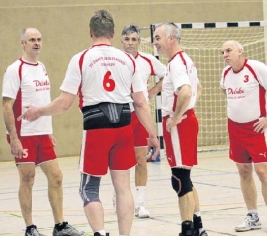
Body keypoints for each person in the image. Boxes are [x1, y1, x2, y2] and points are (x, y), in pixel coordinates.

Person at [18, 10, 160, 236]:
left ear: (90, 32)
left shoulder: (81, 58)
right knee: (123, 187)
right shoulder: (127, 59)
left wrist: (38, 112)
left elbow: (64, 103)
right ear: (113, 33)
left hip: (97, 126)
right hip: (124, 125)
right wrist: (153, 135)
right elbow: (141, 103)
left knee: (89, 189)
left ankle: (101, 232)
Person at [2, 28, 84, 236]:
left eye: (39, 39)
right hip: (23, 134)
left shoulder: (42, 67)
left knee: (56, 176)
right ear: (23, 43)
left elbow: (43, 102)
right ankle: (30, 228)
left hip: (42, 132)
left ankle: (60, 226)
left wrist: (48, 131)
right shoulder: (15, 70)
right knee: (28, 179)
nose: (36, 43)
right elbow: (6, 105)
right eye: (31, 40)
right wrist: (14, 138)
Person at [153, 22, 207, 236]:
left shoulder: (177, 63)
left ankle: (188, 230)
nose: (155, 42)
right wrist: (187, 110)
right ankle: (197, 225)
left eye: (158, 37)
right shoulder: (184, 60)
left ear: (171, 39)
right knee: (184, 177)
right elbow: (197, 88)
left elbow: (185, 91)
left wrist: (176, 117)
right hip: (186, 120)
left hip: (179, 124)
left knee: (179, 178)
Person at [113, 24, 166, 218]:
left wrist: (152, 92)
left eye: (134, 39)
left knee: (140, 160)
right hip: (119, 114)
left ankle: (140, 204)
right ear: (121, 40)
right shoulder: (114, 59)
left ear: (139, 42)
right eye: (127, 39)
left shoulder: (148, 60)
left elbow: (166, 75)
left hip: (140, 116)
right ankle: (118, 196)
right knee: (120, 160)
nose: (130, 43)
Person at [220, 40, 267, 232]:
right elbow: (226, 92)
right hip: (236, 129)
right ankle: (253, 216)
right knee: (244, 171)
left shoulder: (256, 68)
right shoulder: (225, 74)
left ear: (240, 50)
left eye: (228, 50)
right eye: (222, 52)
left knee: (263, 172)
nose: (225, 54)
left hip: (257, 128)